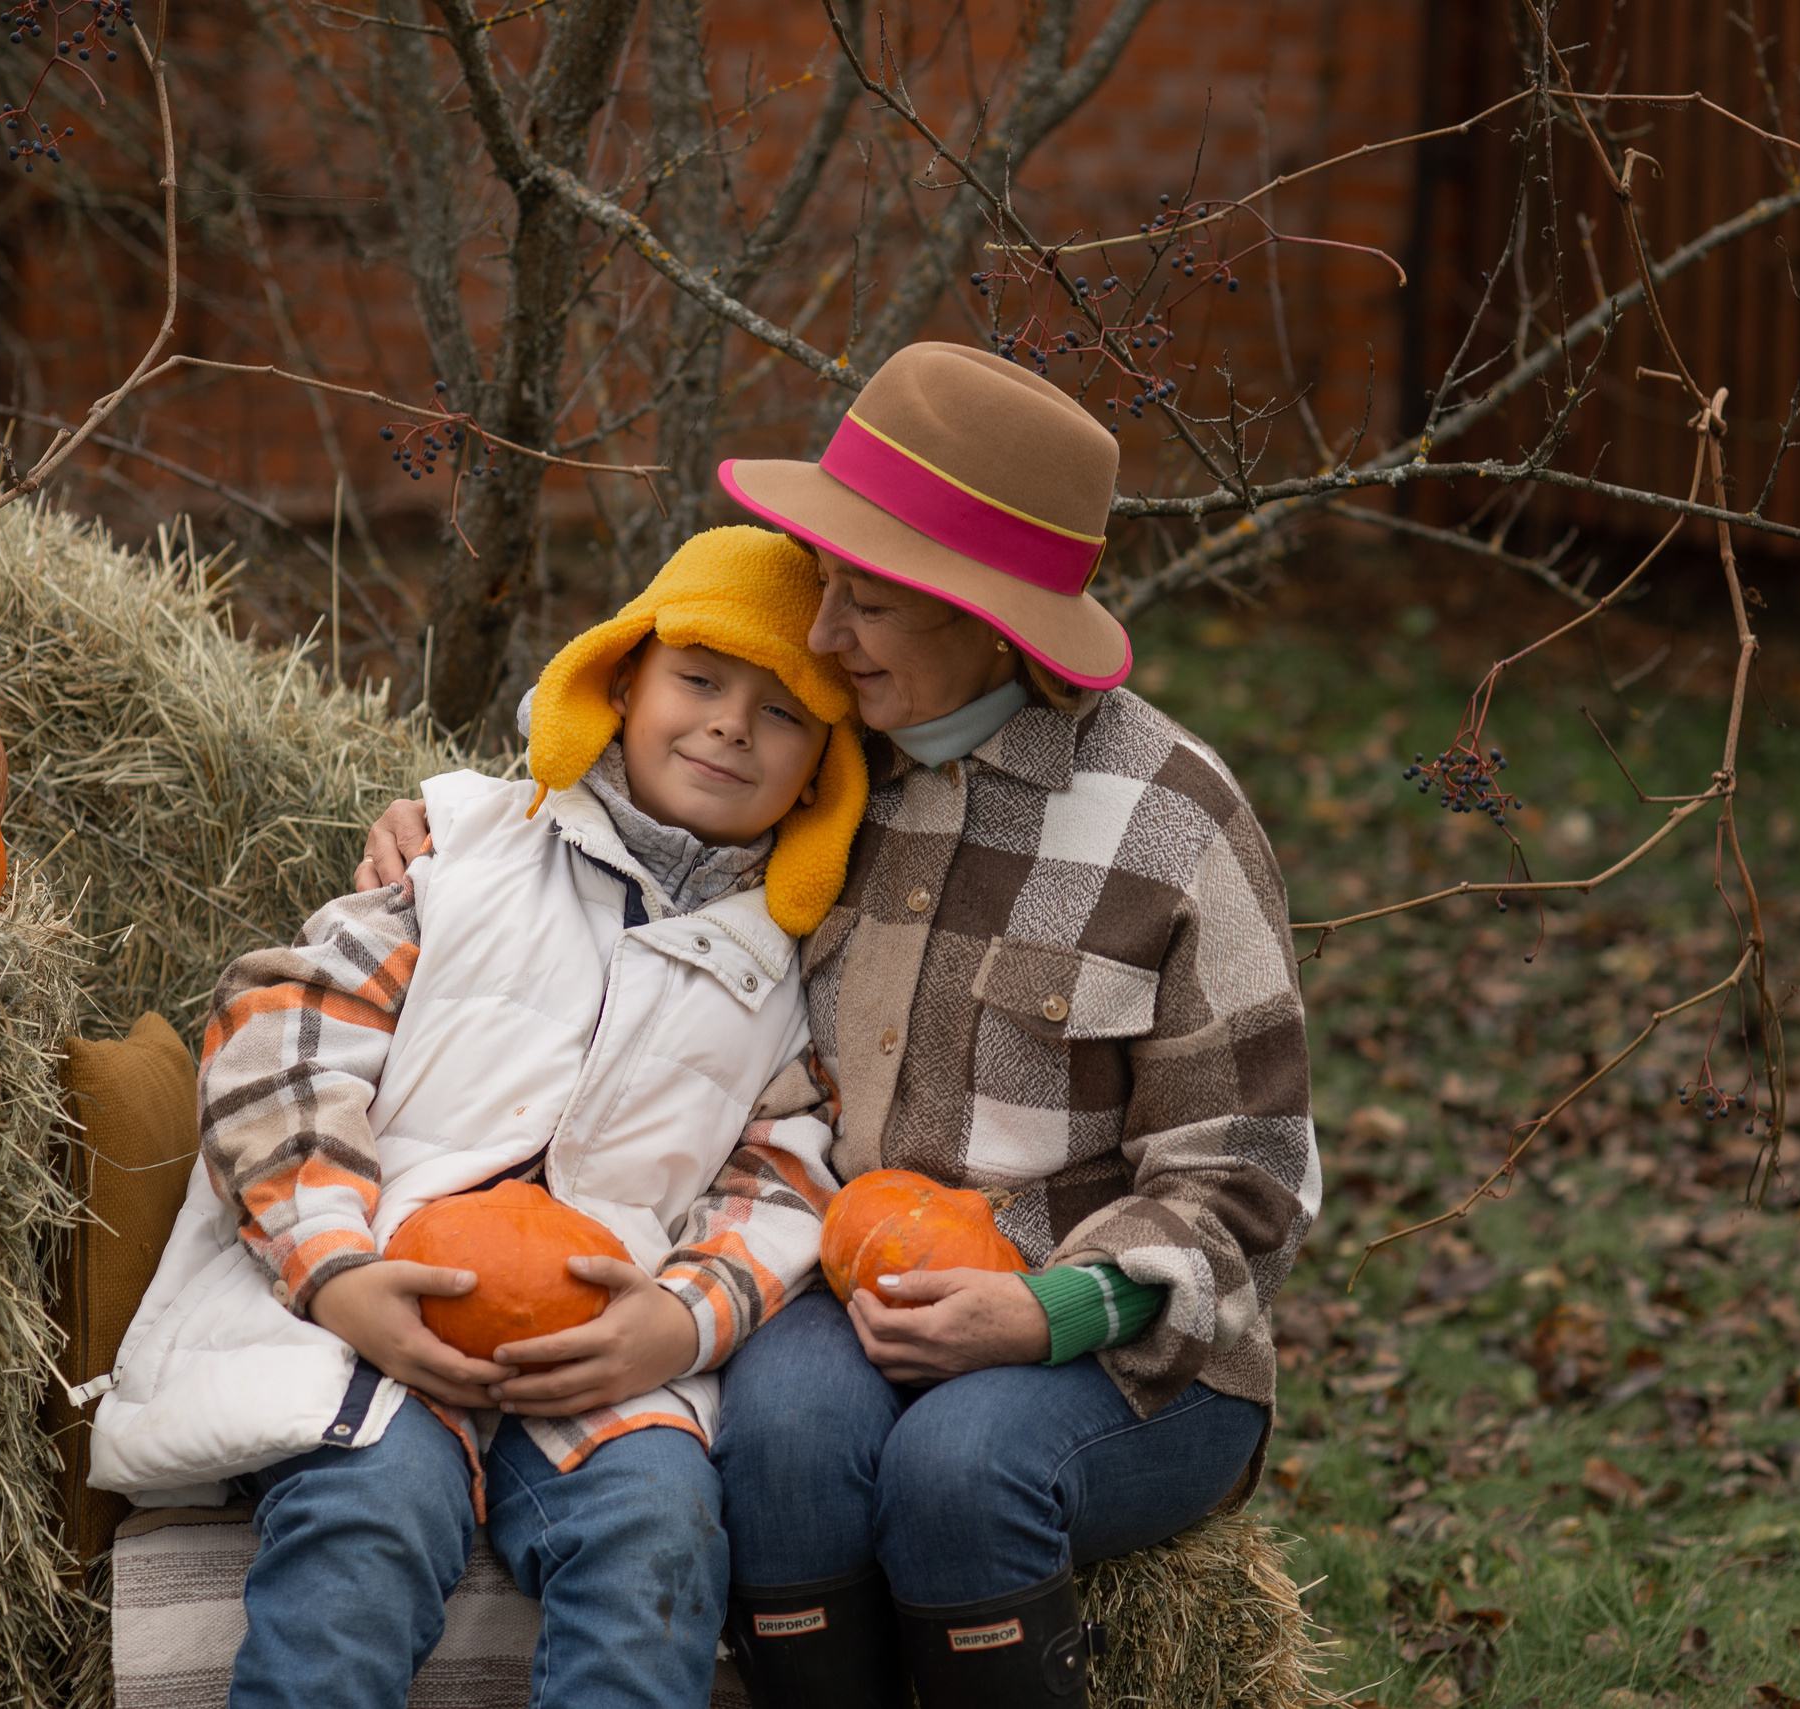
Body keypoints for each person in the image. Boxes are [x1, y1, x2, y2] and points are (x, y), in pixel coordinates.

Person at [361, 343, 1320, 1709]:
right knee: (787, 1436)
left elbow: (1251, 1170)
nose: (820, 636)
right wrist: (448, 826)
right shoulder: (824, 765)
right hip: (848, 1276)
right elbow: (621, 796)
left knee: (958, 1467)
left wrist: (1045, 1309)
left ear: (991, 623)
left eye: (865, 603)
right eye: (826, 586)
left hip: (1119, 1334)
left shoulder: (1168, 825)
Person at [88, 526, 867, 1709]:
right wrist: (334, 1268)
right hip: (375, 1298)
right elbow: (281, 1042)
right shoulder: (464, 854)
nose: (728, 726)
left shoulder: (782, 972)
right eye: (699, 680)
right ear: (621, 682)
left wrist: (676, 1321)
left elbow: (783, 1177)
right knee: (367, 1515)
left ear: (818, 769)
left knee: (658, 1534)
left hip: (600, 1342)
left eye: (781, 712)